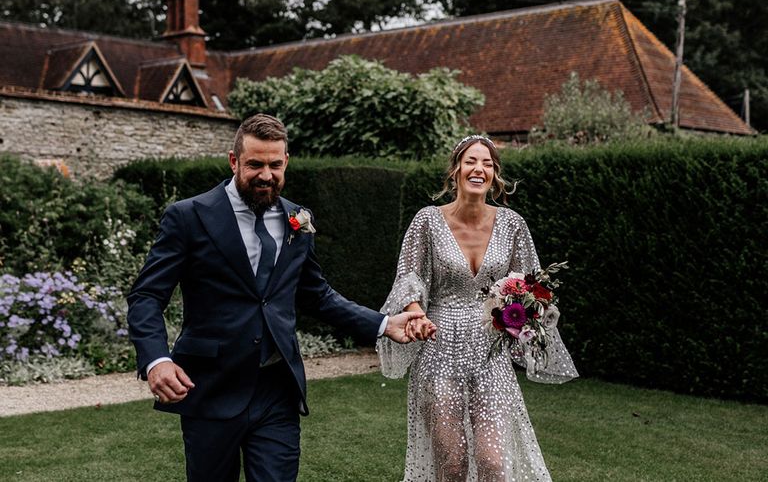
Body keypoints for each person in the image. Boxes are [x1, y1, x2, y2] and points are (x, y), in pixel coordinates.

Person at [127, 113, 427, 482]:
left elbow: (316, 295)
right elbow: (146, 295)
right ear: (234, 161)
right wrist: (156, 360)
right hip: (211, 385)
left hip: (277, 389)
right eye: (255, 164)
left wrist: (382, 324)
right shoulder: (188, 216)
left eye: (275, 164)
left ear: (286, 161)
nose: (266, 175)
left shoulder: (297, 219)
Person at [379, 135, 578, 482]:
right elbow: (409, 279)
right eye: (471, 161)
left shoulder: (513, 225)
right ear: (456, 170)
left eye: (487, 163)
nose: (479, 169)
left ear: (494, 175)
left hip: (490, 355)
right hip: (439, 352)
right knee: (451, 464)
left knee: (493, 464)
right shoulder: (426, 221)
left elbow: (531, 287)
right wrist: (417, 314)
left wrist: (526, 311)